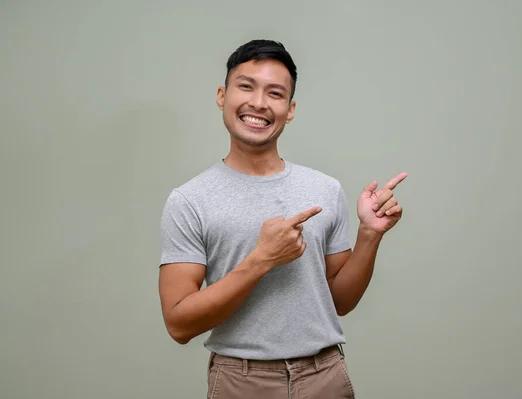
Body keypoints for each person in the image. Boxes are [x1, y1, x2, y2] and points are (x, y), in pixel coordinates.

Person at [158, 39, 407, 399]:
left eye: (274, 93)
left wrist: (370, 234)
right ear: (221, 96)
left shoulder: (324, 188)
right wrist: (261, 260)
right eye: (246, 86)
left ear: (289, 110)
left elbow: (339, 301)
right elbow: (179, 324)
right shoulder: (189, 201)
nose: (258, 103)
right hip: (240, 381)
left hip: (325, 375)